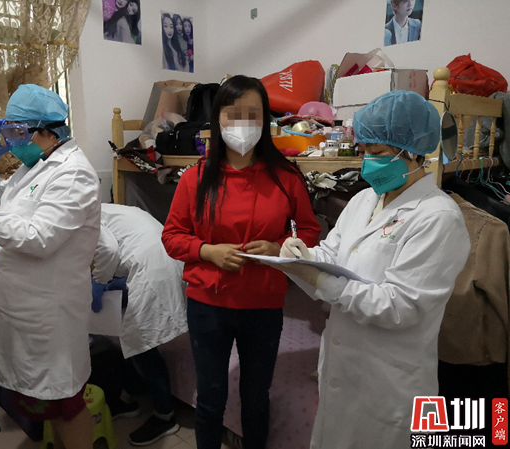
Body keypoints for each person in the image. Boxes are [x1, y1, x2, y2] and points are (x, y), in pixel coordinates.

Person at [271, 91, 470, 448]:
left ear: (412, 152)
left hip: (389, 383)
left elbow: (400, 306)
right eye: (363, 151)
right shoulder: (365, 199)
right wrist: (303, 256)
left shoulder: (438, 218)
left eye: (376, 153)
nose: (366, 162)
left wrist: (319, 279)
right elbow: (334, 254)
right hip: (342, 368)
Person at [161, 75, 321, 449]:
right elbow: (172, 236)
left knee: (256, 397)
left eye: (253, 114)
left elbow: (310, 232)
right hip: (208, 305)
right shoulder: (195, 178)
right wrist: (208, 251)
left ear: (265, 120)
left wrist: (281, 247)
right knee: (210, 398)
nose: (243, 124)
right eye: (233, 114)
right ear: (218, 119)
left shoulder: (286, 177)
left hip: (263, 304)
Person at [0, 84, 101, 449]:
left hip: (50, 312)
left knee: (67, 404)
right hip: (26, 307)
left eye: (19, 131)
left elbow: (37, 237)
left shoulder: (73, 173)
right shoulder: (37, 167)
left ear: (48, 131)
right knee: (51, 403)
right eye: (9, 130)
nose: (13, 141)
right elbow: (3, 204)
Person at [91, 203, 188, 446]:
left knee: (142, 345)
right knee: (132, 338)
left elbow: (108, 249)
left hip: (152, 270)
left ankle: (165, 417)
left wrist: (98, 282)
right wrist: (105, 283)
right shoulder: (107, 209)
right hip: (167, 262)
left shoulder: (82, 216)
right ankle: (130, 396)